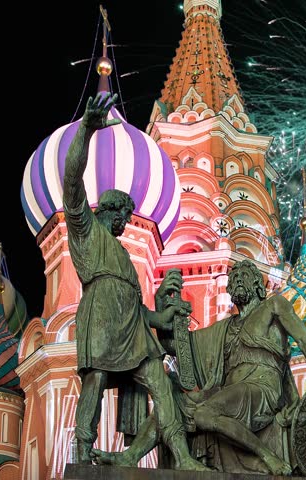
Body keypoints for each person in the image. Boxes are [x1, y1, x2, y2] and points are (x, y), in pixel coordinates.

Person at [93, 260, 306, 475]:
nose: (237, 279)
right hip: (230, 390)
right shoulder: (226, 328)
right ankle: (130, 457)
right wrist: (162, 308)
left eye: (244, 276)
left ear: (259, 287)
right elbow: (177, 346)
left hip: (262, 389)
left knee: (204, 414)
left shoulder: (273, 305)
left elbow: (305, 339)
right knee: (169, 400)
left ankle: (267, 456)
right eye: (233, 277)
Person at [63, 93, 207, 471]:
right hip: (101, 318)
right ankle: (82, 451)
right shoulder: (86, 230)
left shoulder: (124, 256)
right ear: (106, 210)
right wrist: (86, 130)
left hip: (132, 328)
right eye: (121, 216)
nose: (124, 224)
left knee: (162, 386)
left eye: (127, 218)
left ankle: (182, 458)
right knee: (94, 381)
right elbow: (71, 182)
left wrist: (164, 315)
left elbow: (139, 309)